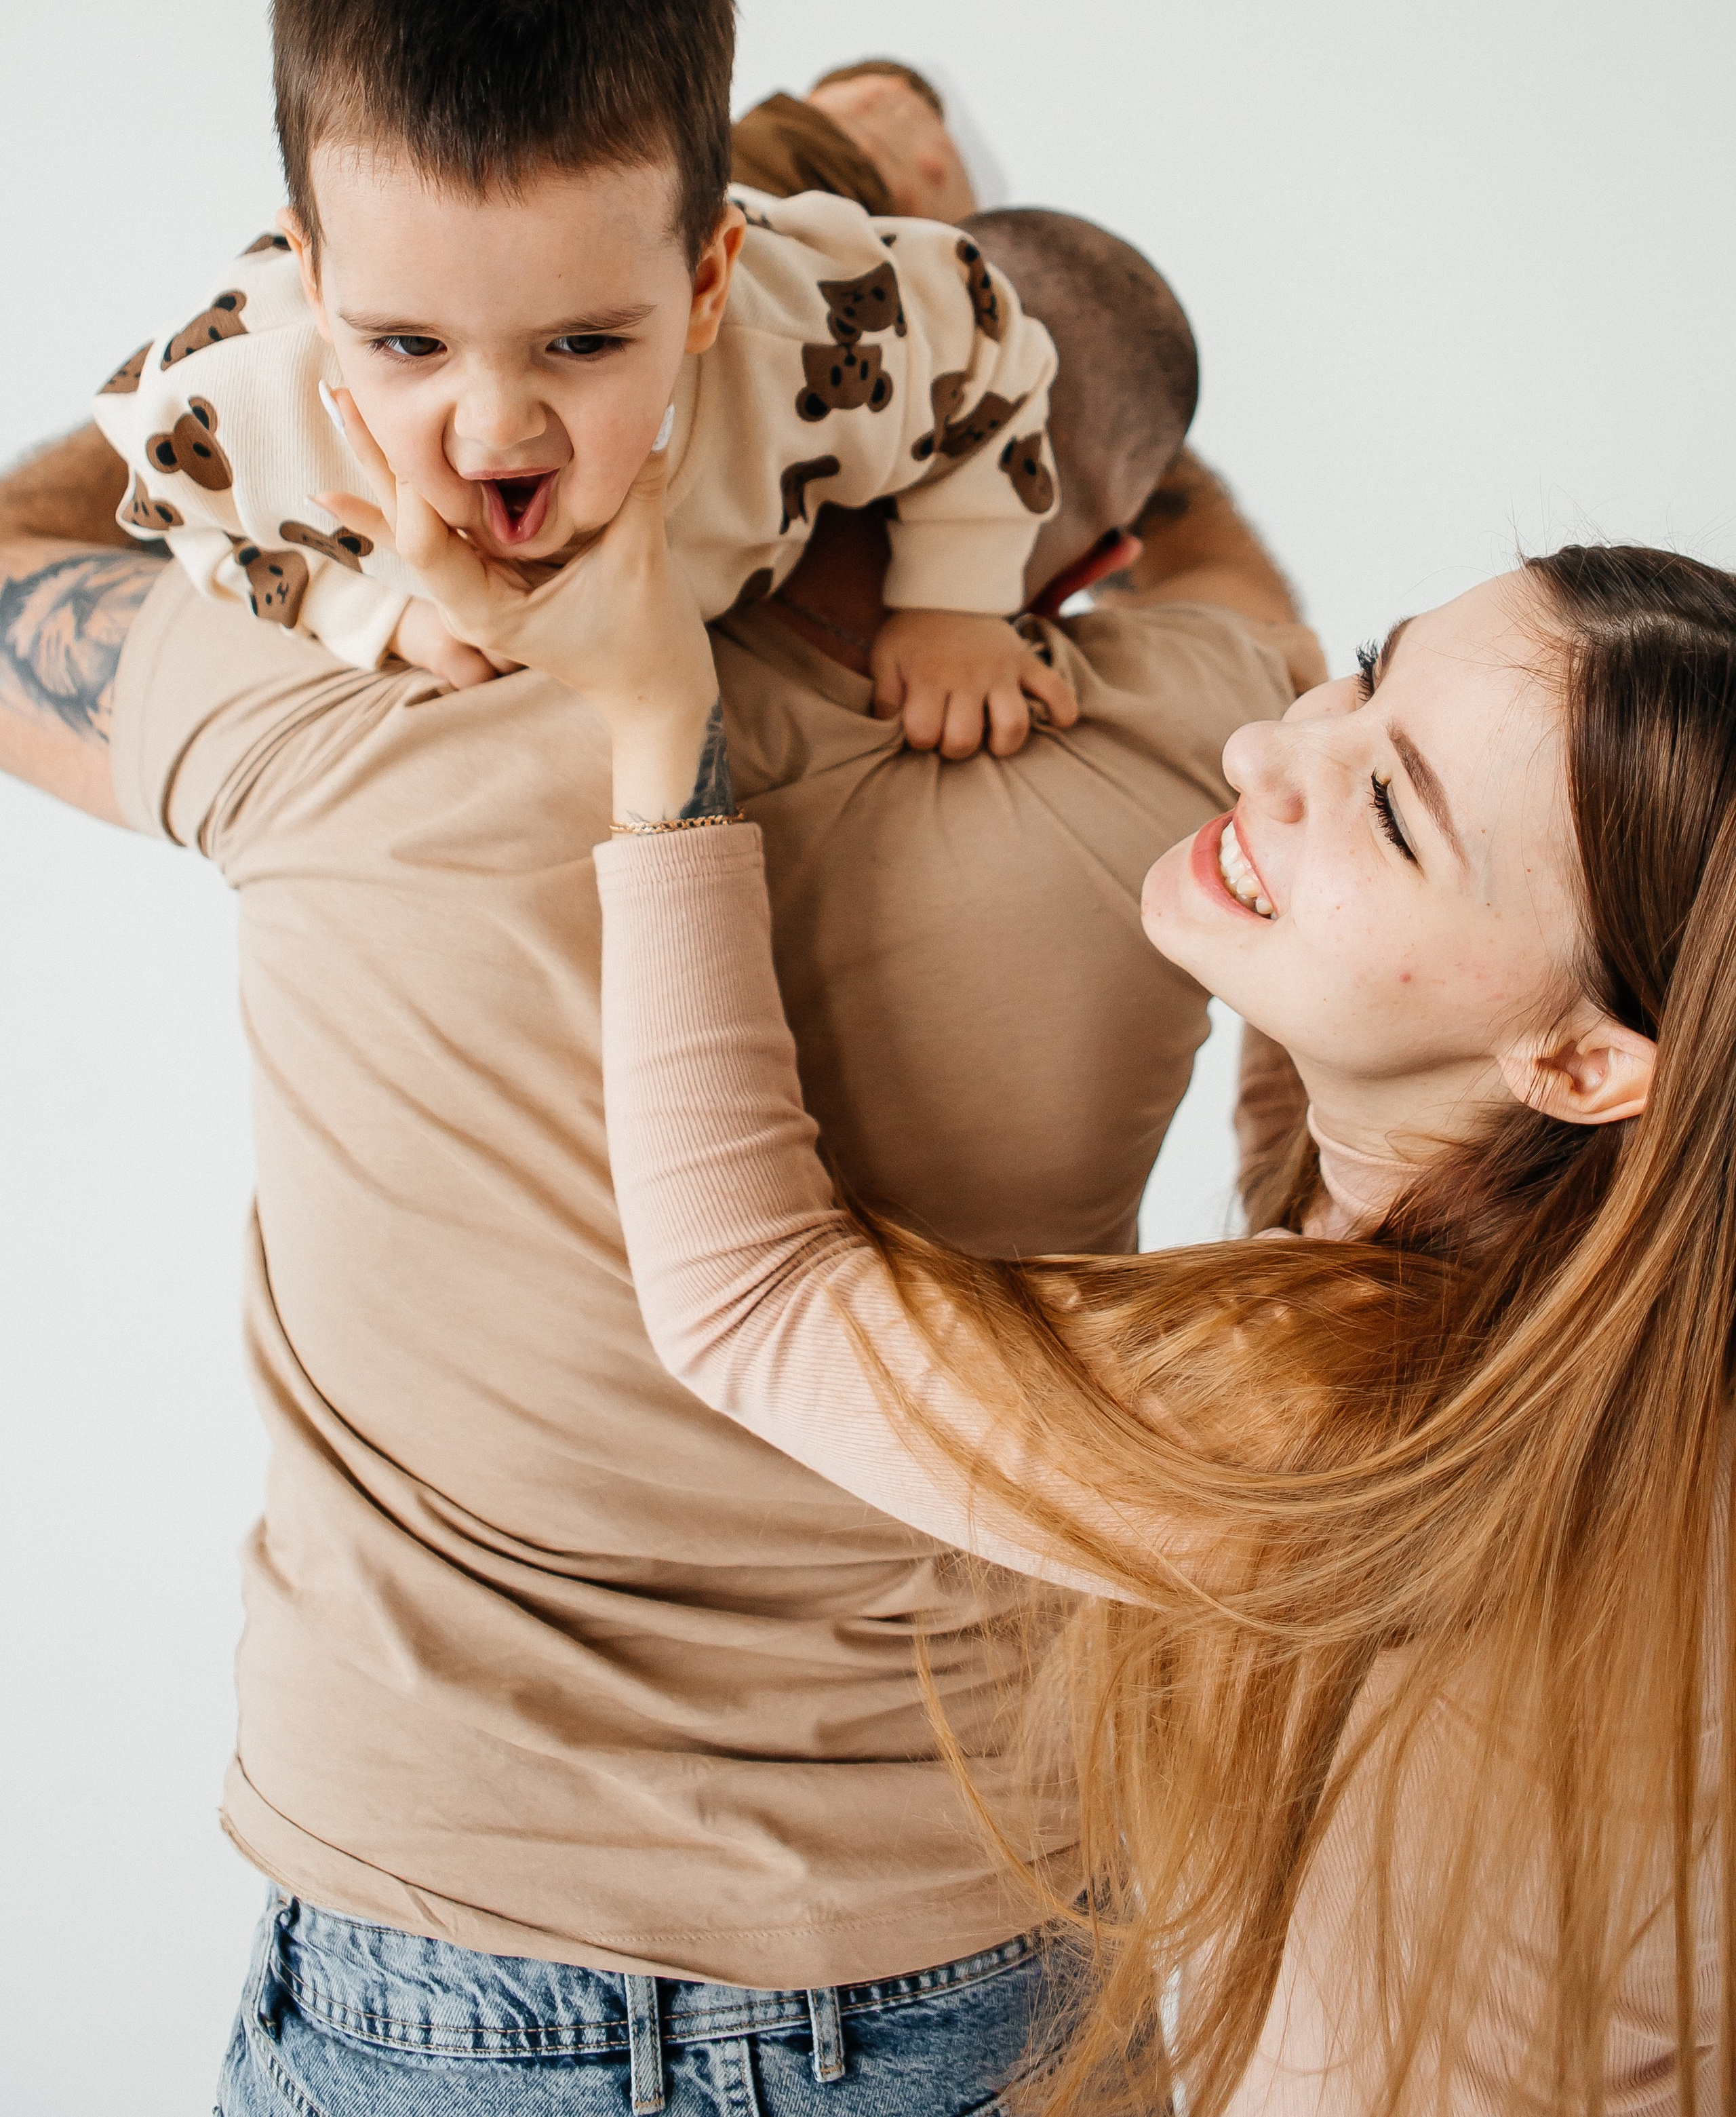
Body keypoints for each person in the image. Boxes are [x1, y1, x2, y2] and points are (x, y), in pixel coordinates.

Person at [0, 89, 1317, 2107]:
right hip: (981, 1945)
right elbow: (1199, 560)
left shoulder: (345, 705)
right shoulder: (1205, 766)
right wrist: (952, 316)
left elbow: (43, 536)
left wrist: (626, 240)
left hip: (437, 1947)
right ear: (1098, 550)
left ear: (714, 339)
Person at [383, 446, 1736, 2112]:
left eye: (1390, 809)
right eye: (1362, 672)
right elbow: (1308, 1119)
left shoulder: (1363, 1433)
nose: (1265, 745)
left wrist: (663, 721)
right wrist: (1063, 436)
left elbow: (751, 1297)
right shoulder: (1606, 1287)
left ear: (1584, 1063)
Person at [92, 0, 1074, 758]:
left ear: (706, 285)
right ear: (314, 285)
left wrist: (956, 603)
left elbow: (992, 357)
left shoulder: (817, 335)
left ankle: (863, 116)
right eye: (409, 345)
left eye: (582, 345)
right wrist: (373, 612)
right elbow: (177, 508)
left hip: (742, 223)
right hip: (611, 239)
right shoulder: (232, 403)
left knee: (832, 164)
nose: (497, 427)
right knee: (630, 209)